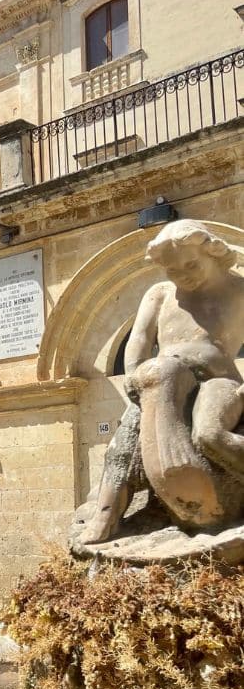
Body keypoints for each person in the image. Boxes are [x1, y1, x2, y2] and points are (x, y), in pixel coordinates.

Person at [81, 220, 244, 544]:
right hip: (162, 379)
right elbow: (138, 342)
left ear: (212, 252)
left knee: (210, 434)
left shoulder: (239, 288)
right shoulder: (159, 295)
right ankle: (106, 511)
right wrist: (134, 377)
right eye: (172, 270)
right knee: (123, 443)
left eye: (192, 264)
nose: (184, 275)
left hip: (217, 381)